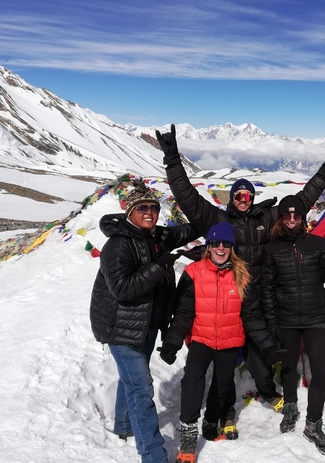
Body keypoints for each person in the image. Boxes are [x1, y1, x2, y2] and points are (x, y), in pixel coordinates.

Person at [155, 124, 325, 429]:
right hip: (226, 302)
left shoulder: (267, 218)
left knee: (261, 359)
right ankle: (227, 411)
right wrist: (172, 159)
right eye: (238, 195)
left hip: (257, 303)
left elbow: (301, 201)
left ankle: (268, 391)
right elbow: (188, 198)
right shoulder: (217, 220)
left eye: (248, 195)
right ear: (232, 198)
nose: (244, 199)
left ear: (253, 197)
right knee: (225, 364)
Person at [89, 179, 198, 463]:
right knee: (141, 389)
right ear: (130, 213)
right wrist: (158, 267)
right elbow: (122, 290)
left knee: (131, 382)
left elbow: (190, 230)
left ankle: (124, 426)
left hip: (146, 326)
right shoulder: (118, 245)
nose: (149, 212)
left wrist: (221, 218)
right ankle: (153, 456)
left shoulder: (157, 237)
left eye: (153, 207)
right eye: (142, 208)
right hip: (122, 329)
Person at [157, 222, 281, 463]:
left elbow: (252, 317)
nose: (220, 248)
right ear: (208, 246)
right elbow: (183, 312)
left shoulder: (243, 276)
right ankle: (188, 436)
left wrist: (268, 345)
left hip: (230, 340)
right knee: (192, 380)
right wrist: (172, 342)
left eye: (226, 244)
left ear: (232, 247)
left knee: (222, 386)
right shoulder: (194, 272)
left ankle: (211, 419)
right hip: (200, 338)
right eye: (215, 243)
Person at [262, 195, 325, 457]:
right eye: (287, 215)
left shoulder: (317, 244)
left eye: (296, 215)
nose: (292, 220)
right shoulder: (272, 249)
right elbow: (267, 288)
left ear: (303, 218)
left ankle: (313, 424)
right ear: (281, 218)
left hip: (314, 318)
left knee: (320, 371)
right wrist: (272, 322)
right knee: (288, 367)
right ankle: (291, 408)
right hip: (285, 319)